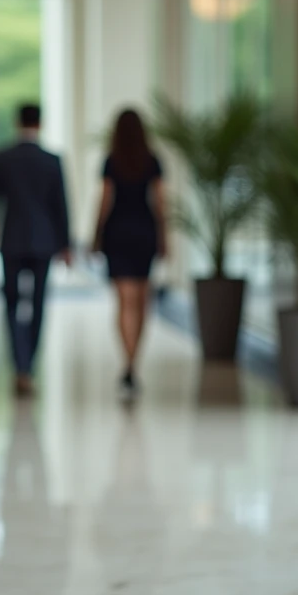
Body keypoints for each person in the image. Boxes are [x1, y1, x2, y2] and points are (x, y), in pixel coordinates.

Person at [0, 104, 72, 398]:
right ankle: (28, 364)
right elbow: (62, 205)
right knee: (39, 304)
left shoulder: (2, 158)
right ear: (40, 123)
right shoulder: (52, 160)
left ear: (17, 122)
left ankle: (20, 365)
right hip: (44, 242)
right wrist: (66, 244)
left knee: (11, 304)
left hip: (12, 240)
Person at [91, 109, 167, 396]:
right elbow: (160, 202)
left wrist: (95, 234)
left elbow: (105, 200)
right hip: (144, 232)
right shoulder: (152, 161)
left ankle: (128, 363)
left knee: (124, 302)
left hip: (118, 233)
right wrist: (164, 237)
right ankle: (134, 362)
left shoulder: (112, 161)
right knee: (142, 301)